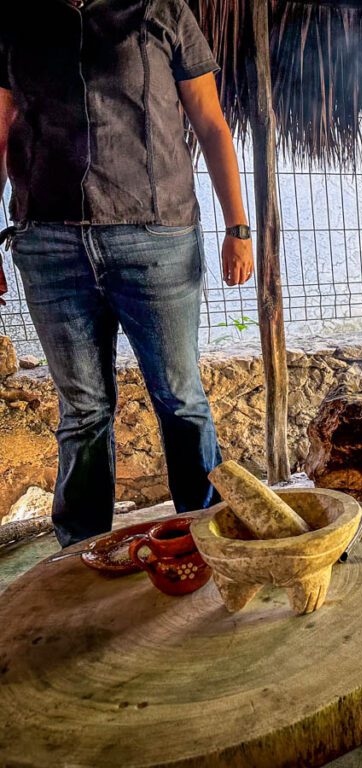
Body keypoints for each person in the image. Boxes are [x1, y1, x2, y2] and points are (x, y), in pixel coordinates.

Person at [0, 0, 253, 547]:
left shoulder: (161, 10)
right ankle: (82, 552)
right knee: (83, 409)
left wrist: (239, 228)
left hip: (156, 238)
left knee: (180, 398)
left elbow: (210, 122)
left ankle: (205, 538)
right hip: (48, 243)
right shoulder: (16, 20)